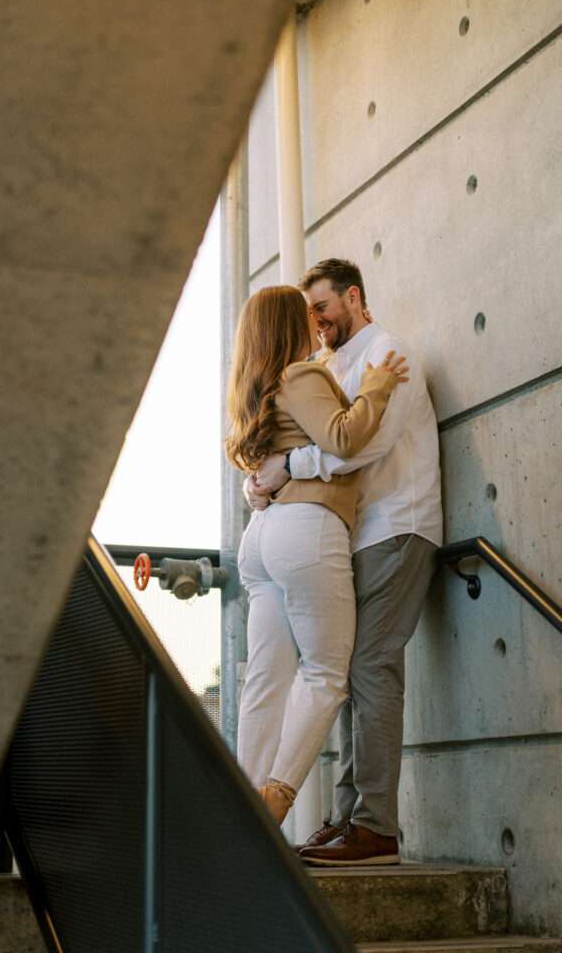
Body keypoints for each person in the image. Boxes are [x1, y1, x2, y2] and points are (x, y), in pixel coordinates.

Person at [248, 258, 442, 866]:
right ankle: (348, 816)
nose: (318, 321)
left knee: (368, 668)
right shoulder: (327, 366)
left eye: (323, 307)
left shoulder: (388, 354)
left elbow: (362, 447)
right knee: (343, 673)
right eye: (308, 313)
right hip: (351, 531)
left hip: (397, 525)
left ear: (353, 297)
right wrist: (272, 473)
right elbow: (314, 438)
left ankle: (375, 827)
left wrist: (285, 470)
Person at [225, 284, 409, 827]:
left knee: (266, 678)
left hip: (261, 538)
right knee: (327, 672)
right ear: (290, 324)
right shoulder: (300, 375)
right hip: (307, 528)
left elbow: (261, 468)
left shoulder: (251, 385)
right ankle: (276, 796)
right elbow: (344, 439)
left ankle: (243, 813)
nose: (316, 320)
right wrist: (376, 387)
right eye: (306, 313)